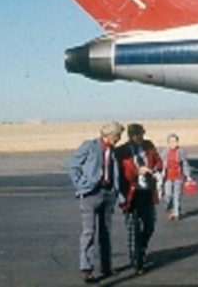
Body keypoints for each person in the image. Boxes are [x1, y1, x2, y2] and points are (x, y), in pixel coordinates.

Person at [67, 121, 125, 284]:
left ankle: (106, 267)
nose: (118, 139)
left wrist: (116, 193)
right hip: (90, 194)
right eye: (117, 135)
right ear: (108, 135)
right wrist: (81, 185)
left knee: (106, 232)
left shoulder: (113, 151)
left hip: (108, 194)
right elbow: (73, 165)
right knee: (89, 232)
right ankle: (87, 268)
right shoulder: (90, 146)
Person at [116, 123, 163, 275]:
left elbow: (158, 161)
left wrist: (155, 169)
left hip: (147, 192)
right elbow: (123, 172)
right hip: (132, 194)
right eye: (136, 135)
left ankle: (141, 248)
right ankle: (137, 262)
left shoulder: (148, 146)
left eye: (141, 135)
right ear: (129, 136)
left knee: (150, 225)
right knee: (133, 229)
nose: (139, 138)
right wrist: (137, 171)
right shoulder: (122, 151)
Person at [160, 133, 192, 220]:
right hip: (167, 177)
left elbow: (185, 164)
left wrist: (188, 176)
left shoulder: (181, 152)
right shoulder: (165, 153)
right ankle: (170, 208)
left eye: (175, 141)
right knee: (168, 195)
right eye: (171, 141)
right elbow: (159, 163)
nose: (173, 143)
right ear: (168, 143)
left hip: (178, 177)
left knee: (177, 195)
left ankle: (176, 213)